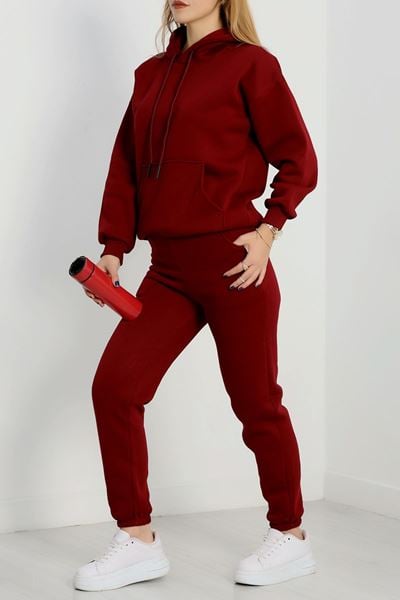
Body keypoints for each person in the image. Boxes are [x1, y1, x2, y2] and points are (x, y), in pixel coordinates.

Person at [74, 0, 318, 591]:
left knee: (256, 404)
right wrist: (114, 247)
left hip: (235, 263)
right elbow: (125, 166)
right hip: (168, 271)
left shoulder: (252, 65)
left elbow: (298, 158)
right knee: (115, 388)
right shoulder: (149, 75)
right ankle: (137, 539)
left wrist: (268, 231)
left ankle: (290, 536)